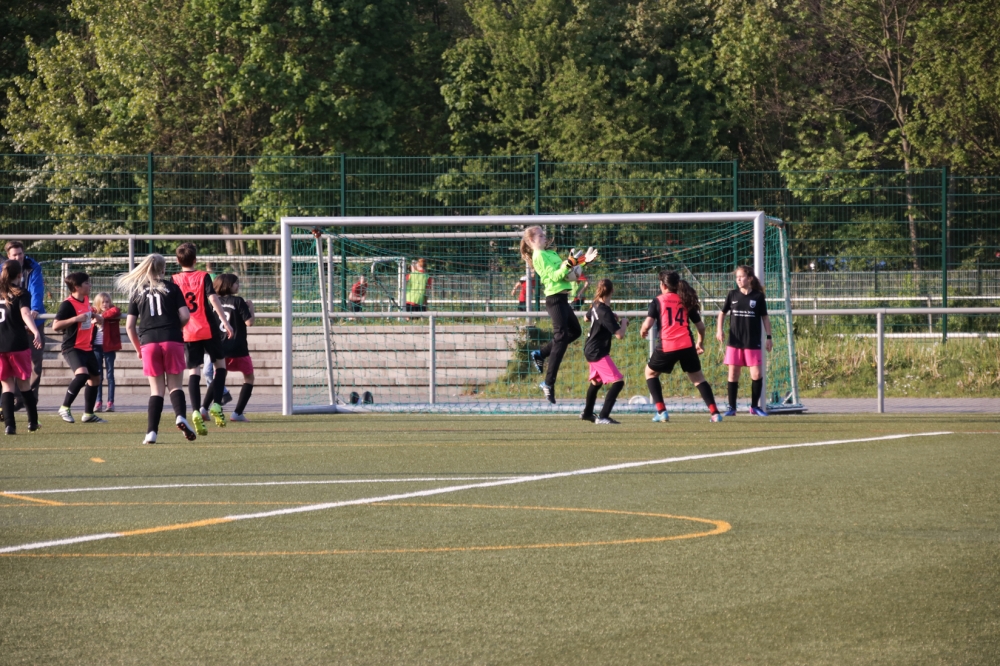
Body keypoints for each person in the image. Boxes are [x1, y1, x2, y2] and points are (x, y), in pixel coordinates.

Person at [118, 254, 197, 444]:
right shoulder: (172, 288)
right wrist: (175, 328)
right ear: (163, 269)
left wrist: (139, 348)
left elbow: (129, 326)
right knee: (175, 386)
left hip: (149, 342)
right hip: (172, 339)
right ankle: (180, 416)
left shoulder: (137, 291)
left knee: (156, 391)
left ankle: (151, 433)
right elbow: (186, 315)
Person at [520, 226, 598, 404]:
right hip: (554, 300)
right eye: (540, 235)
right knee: (561, 337)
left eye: (544, 234)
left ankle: (540, 354)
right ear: (531, 240)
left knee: (575, 332)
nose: (544, 236)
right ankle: (548, 383)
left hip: (562, 299)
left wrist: (583, 261)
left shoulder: (550, 253)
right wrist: (570, 264)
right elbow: (556, 276)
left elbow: (567, 272)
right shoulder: (539, 256)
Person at [640, 270, 723, 423]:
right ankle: (715, 413)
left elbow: (648, 324)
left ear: (663, 285)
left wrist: (643, 330)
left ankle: (662, 411)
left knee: (650, 373)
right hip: (687, 345)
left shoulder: (658, 300)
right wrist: (700, 342)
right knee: (698, 379)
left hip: (667, 346)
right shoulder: (685, 300)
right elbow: (701, 327)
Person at [170, 243, 234, 435]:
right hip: (207, 327)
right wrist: (226, 322)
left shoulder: (174, 279)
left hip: (187, 330)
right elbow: (213, 299)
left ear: (177, 261)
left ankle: (196, 411)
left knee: (194, 371)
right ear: (195, 260)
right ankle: (216, 404)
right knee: (220, 366)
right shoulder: (203, 276)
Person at [716, 265, 772, 417]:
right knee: (733, 374)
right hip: (734, 342)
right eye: (737, 277)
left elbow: (765, 318)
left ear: (750, 278)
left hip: (752, 342)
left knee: (756, 375)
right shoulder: (732, 295)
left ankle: (754, 407)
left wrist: (769, 337)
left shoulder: (758, 297)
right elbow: (722, 313)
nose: (738, 280)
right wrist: (719, 330)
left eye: (741, 277)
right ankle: (732, 408)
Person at [52, 272, 106, 424]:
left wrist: (95, 316)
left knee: (95, 379)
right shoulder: (67, 304)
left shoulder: (86, 299)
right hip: (72, 347)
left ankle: (88, 414)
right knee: (82, 375)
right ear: (77, 287)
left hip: (87, 347)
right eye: (87, 283)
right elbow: (56, 325)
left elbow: (86, 314)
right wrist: (75, 319)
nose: (90, 285)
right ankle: (64, 407)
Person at [0, 261, 44, 434]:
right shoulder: (21, 293)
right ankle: (32, 422)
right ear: (20, 275)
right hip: (17, 344)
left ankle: (9, 426)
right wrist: (35, 331)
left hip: (1, 345)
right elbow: (25, 313)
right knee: (24, 384)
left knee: (7, 386)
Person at [207, 273, 255, 421]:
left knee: (219, 377)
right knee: (249, 378)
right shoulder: (238, 301)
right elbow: (249, 322)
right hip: (237, 347)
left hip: (219, 347)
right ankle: (237, 413)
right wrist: (251, 308)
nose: (238, 285)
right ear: (228, 285)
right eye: (236, 283)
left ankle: (203, 408)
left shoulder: (214, 302)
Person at [3, 241, 46, 408]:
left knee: (36, 361)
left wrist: (34, 309)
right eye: (14, 255)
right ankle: (14, 400)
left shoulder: (33, 268)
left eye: (20, 254)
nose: (18, 257)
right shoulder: (3, 269)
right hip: (11, 322)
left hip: (33, 319)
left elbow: (36, 290)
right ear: (8, 256)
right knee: (10, 363)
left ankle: (31, 400)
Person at [580, 279, 628, 425]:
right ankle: (603, 416)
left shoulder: (596, 304)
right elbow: (620, 335)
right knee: (618, 381)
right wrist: (623, 323)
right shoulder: (605, 311)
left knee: (596, 382)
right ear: (612, 291)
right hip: (597, 351)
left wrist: (611, 317)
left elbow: (586, 318)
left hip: (590, 348)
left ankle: (587, 413)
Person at [92, 293, 121, 413]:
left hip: (109, 348)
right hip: (96, 348)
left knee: (110, 375)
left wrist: (101, 317)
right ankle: (98, 401)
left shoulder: (112, 311)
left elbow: (116, 310)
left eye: (107, 302)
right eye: (102, 302)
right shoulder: (93, 312)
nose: (105, 304)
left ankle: (110, 402)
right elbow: (87, 312)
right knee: (98, 376)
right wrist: (95, 317)